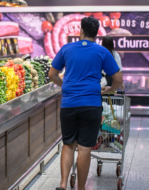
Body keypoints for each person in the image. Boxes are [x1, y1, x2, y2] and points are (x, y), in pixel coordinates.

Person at [49, 17, 123, 190]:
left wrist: (66, 86)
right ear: (96, 34)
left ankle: (62, 184)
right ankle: (81, 188)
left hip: (68, 104)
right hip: (91, 104)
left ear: (81, 31)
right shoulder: (102, 51)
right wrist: (110, 90)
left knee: (68, 144)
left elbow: (53, 74)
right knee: (84, 149)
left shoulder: (66, 49)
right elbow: (118, 79)